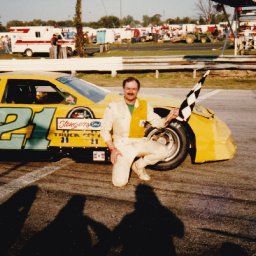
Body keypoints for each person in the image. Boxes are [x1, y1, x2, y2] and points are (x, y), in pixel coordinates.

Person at [100, 77, 179, 187]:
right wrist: (113, 149)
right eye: (128, 88)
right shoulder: (113, 106)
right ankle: (125, 165)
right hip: (122, 147)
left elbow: (157, 123)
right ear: (123, 89)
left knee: (164, 151)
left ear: (138, 90)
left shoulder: (144, 105)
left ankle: (139, 166)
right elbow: (104, 130)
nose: (130, 91)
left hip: (139, 142)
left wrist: (169, 117)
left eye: (134, 89)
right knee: (119, 183)